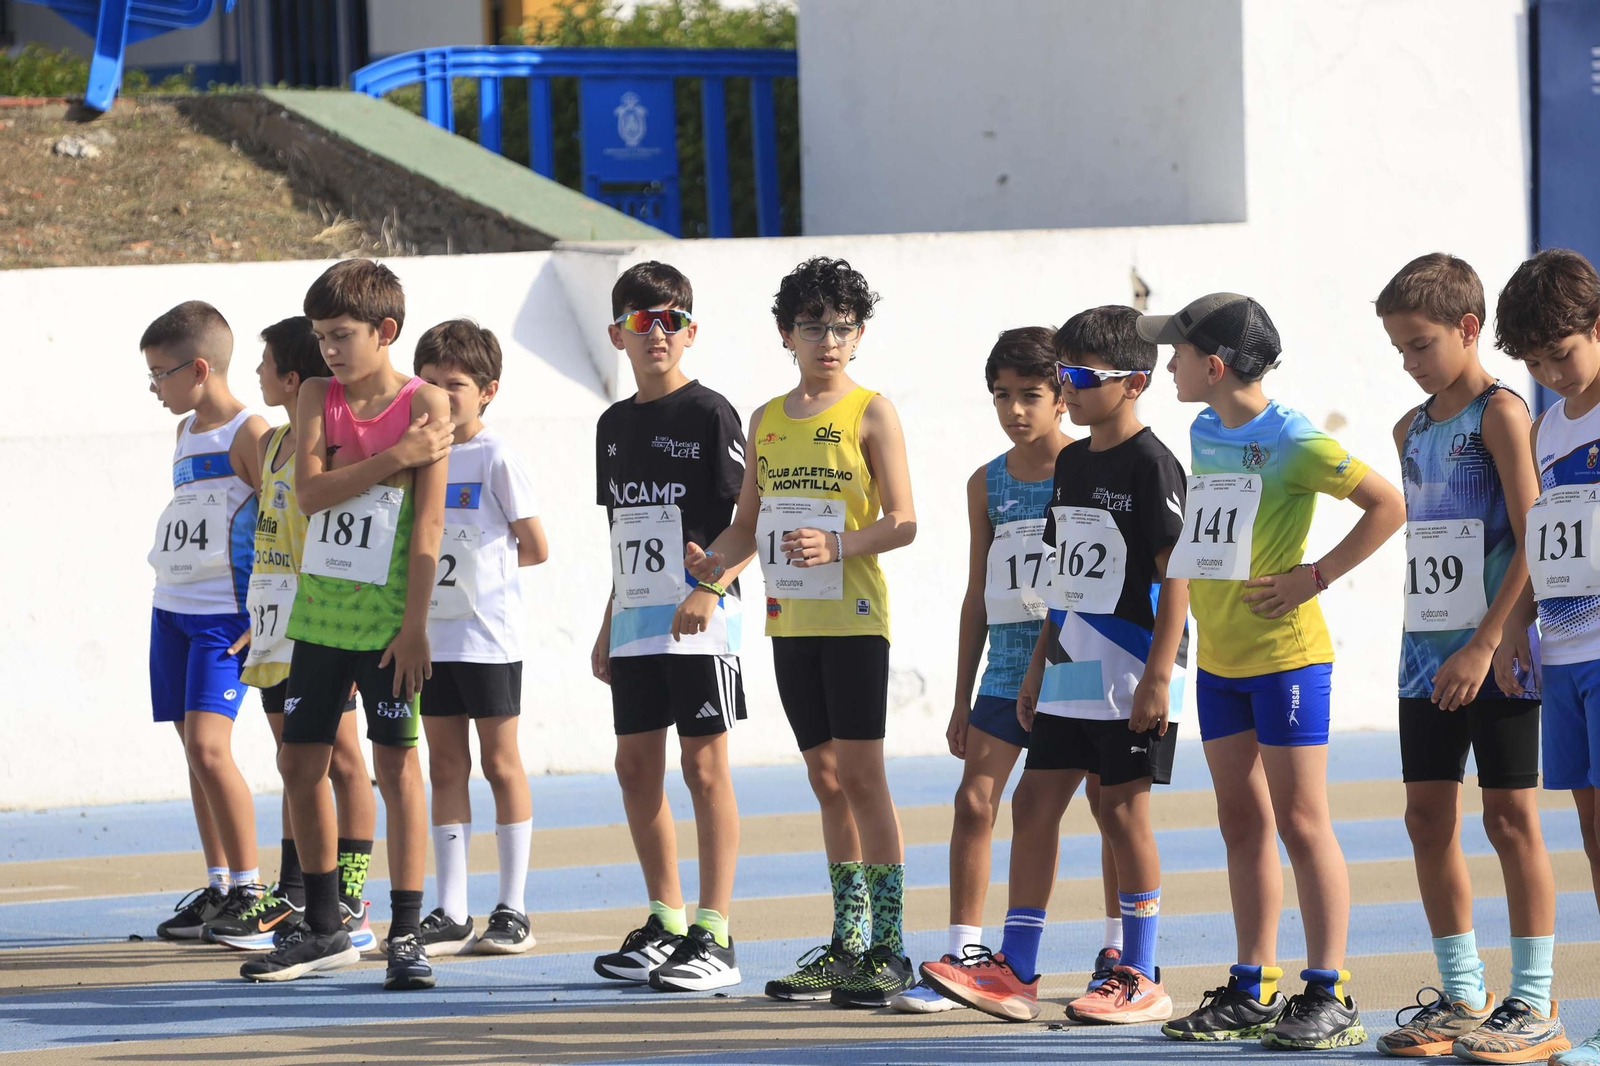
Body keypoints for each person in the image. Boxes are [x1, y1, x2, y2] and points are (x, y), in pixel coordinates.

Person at [1147, 293, 1404, 1050]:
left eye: (1179, 354)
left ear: (1215, 365)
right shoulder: (1201, 426)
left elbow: (1386, 505)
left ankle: (1330, 994)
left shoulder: (1295, 438)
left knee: (1300, 820)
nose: (1169, 366)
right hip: (1221, 658)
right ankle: (1252, 987)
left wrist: (1314, 576)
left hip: (1288, 658)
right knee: (1241, 822)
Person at [921, 305, 1186, 1026]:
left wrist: (1160, 675)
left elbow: (1178, 578)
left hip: (1127, 669)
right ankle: (1017, 970)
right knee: (1033, 805)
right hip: (1065, 667)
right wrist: (1039, 663)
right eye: (1062, 374)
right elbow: (1064, 578)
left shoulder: (1153, 462)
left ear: (1134, 382)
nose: (1064, 389)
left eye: (1076, 377)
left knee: (1123, 812)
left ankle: (1138, 968)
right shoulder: (1073, 463)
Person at [685, 257, 918, 1008]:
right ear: (787, 333)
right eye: (814, 326)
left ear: (859, 335)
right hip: (791, 623)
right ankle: (847, 946)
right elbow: (747, 524)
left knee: (862, 778)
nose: (829, 339)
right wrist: (711, 571)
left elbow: (904, 521)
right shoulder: (767, 420)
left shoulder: (872, 412)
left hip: (854, 621)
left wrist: (841, 545)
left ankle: (890, 947)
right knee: (825, 780)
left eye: (843, 327)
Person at [893, 326, 1122, 1014]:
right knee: (974, 801)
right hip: (1005, 666)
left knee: (1107, 806)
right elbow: (976, 592)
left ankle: (1116, 950)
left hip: (1079, 664)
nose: (1015, 410)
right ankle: (965, 954)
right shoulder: (985, 483)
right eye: (1001, 396)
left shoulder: (1089, 471)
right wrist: (960, 696)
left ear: (1062, 398)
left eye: (1030, 395)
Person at [240, 259, 451, 991]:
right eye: (321, 337)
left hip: (391, 624)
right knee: (300, 764)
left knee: (397, 768)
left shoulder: (428, 404)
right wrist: (393, 457)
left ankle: (406, 930)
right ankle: (326, 927)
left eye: (342, 336)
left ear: (385, 331)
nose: (328, 350)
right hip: (320, 620)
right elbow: (307, 494)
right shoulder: (318, 398)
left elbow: (428, 530)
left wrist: (417, 627)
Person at [1375, 253, 1564, 1062]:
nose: (1412, 365)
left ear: (1467, 328)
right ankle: (1461, 994)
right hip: (1424, 656)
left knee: (1510, 817)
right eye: (1399, 352)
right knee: (1426, 818)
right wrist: (1441, 645)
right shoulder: (1408, 429)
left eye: (1421, 346)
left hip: (1496, 651)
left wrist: (1491, 638)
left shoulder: (1502, 412)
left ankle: (1533, 1000)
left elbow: (1533, 533)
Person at [590, 262, 747, 992]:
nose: (659, 333)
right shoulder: (613, 426)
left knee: (703, 766)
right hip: (635, 620)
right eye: (643, 320)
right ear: (617, 333)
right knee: (635, 766)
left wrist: (711, 585)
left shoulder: (712, 414)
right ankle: (668, 921)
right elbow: (625, 533)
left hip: (701, 620)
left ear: (690, 331)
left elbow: (749, 521)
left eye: (672, 320)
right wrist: (606, 620)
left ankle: (716, 933)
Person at [206, 316, 378, 954]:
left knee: (344, 757)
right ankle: (299, 889)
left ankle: (350, 894)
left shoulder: (330, 445)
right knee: (295, 760)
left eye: (265, 365)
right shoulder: (272, 443)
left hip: (325, 619)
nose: (255, 375)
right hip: (274, 620)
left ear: (293, 377)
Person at [1492, 247, 1600, 1066]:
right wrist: (1513, 629)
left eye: (1561, 354)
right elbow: (1539, 539)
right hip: (1562, 653)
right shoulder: (1546, 425)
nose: (1551, 374)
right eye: (1533, 363)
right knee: (1593, 835)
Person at [414, 319, 547, 957]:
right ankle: (450, 908)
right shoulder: (415, 454)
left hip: (488, 636)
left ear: (488, 390)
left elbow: (536, 546)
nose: (442, 396)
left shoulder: (495, 456)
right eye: (431, 383)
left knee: (499, 763)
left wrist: (480, 568)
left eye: (456, 385)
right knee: (445, 766)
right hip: (431, 641)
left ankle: (513, 907)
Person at [142, 300, 269, 941]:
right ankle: (218, 886)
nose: (155, 388)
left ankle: (252, 890)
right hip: (174, 609)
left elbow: (282, 529)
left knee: (211, 749)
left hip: (226, 617)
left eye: (160, 375)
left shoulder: (252, 433)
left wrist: (271, 612)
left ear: (198, 368)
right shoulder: (183, 433)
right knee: (193, 754)